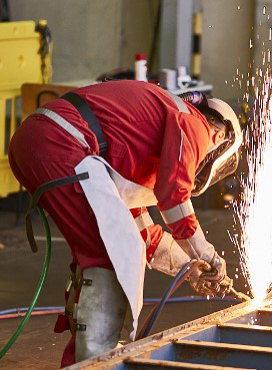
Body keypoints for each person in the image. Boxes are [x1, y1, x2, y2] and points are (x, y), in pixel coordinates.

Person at [8, 80, 242, 366]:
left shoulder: (145, 141)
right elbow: (175, 197)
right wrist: (207, 255)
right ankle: (96, 361)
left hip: (36, 140)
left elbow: (143, 234)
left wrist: (190, 270)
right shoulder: (195, 124)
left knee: (106, 246)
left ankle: (83, 355)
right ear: (221, 138)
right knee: (112, 256)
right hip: (63, 144)